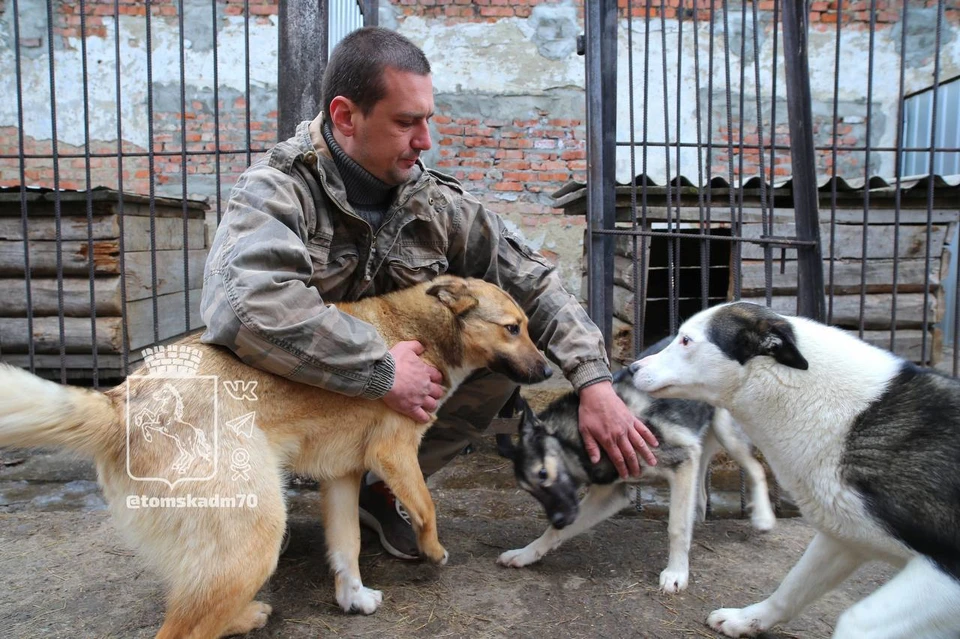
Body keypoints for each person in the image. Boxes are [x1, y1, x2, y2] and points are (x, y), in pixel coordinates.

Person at [199, 26, 658, 560]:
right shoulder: (276, 189)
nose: (425, 141)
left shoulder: (435, 204)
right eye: (405, 123)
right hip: (282, 409)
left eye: (427, 121)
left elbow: (531, 281)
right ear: (347, 117)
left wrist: (595, 382)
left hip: (378, 403)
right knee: (238, 565)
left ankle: (381, 486)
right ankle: (252, 492)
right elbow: (248, 310)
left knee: (497, 354)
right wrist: (379, 367)